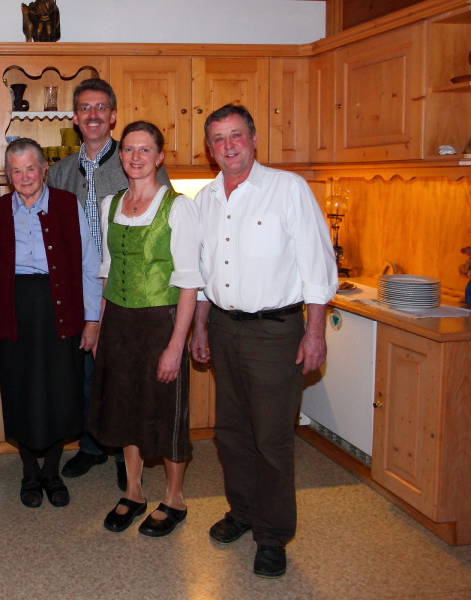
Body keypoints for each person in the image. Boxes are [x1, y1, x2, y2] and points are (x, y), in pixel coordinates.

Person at [189, 104, 337, 578]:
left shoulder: (287, 189)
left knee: (272, 439)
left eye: (235, 136)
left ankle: (273, 535)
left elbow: (317, 267)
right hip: (224, 328)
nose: (228, 145)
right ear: (209, 150)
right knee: (231, 432)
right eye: (218, 139)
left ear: (253, 139)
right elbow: (207, 273)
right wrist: (198, 328)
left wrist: (315, 332)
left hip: (276, 331)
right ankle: (243, 511)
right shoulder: (206, 200)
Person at [48, 78, 171, 489]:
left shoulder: (138, 160)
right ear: (75, 117)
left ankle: (125, 453)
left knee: (125, 375)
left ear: (113, 115)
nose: (93, 115)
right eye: (85, 108)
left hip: (131, 291)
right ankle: (92, 444)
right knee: (86, 374)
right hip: (80, 290)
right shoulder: (61, 171)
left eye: (101, 107)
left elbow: (164, 226)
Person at [87, 121, 203, 538]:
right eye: (129, 150)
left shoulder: (179, 207)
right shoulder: (110, 203)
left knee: (165, 408)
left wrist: (177, 345)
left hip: (160, 322)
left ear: (159, 157)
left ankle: (174, 497)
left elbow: (190, 281)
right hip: (118, 321)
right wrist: (100, 328)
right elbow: (107, 270)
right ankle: (133, 490)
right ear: (122, 156)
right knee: (124, 405)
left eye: (144, 150)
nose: (135, 157)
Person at [0, 138, 100, 508]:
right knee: (20, 392)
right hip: (13, 309)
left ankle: (52, 471)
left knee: (59, 390)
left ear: (43, 169)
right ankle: (29, 473)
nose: (24, 177)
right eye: (15, 170)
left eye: (30, 168)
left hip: (60, 308)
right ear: (7, 174)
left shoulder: (68, 205)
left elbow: (88, 263)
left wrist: (92, 318)